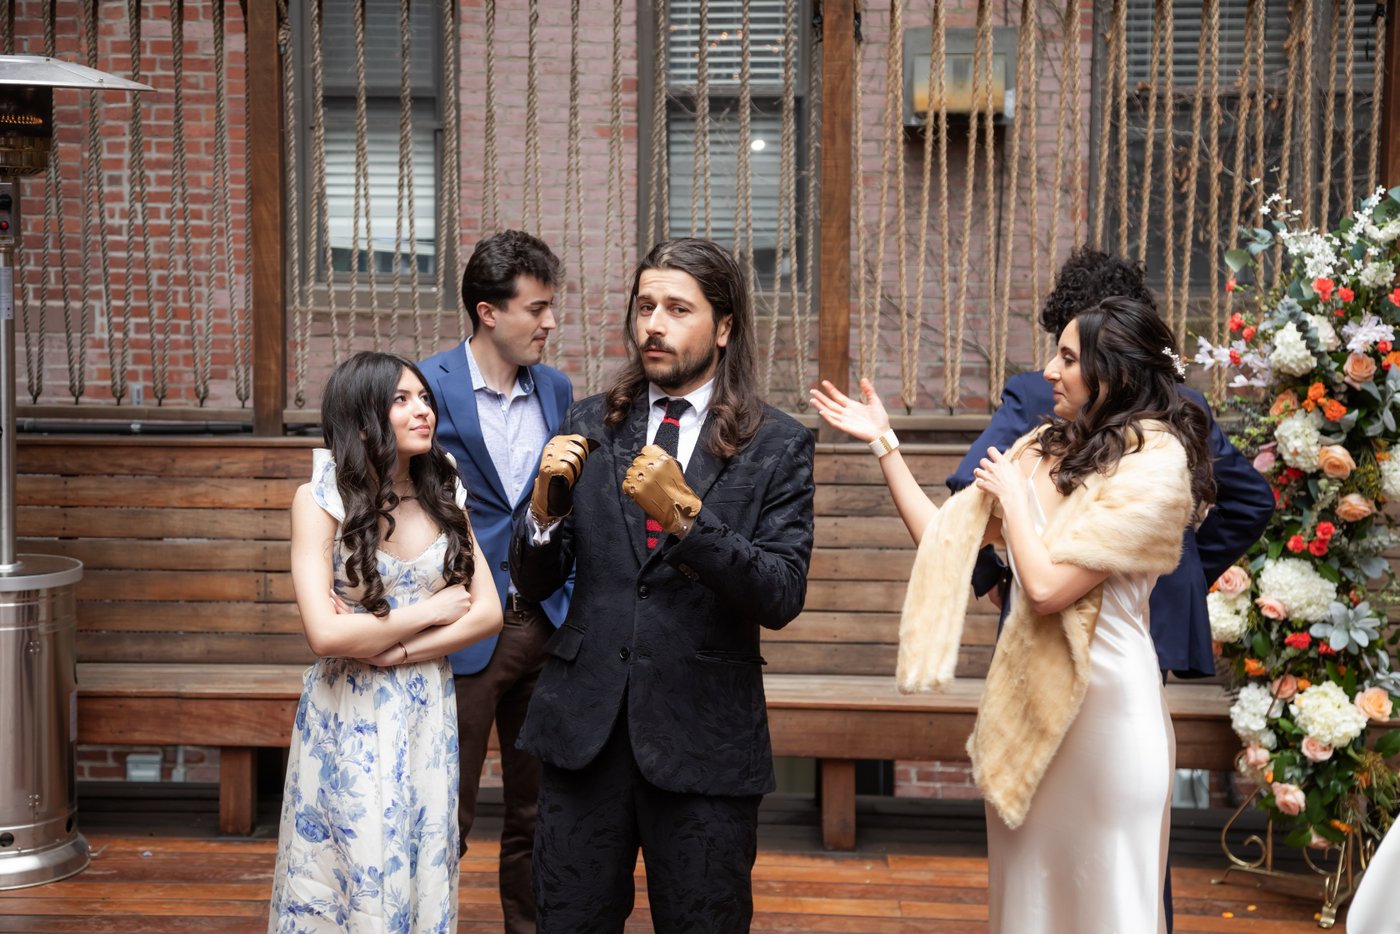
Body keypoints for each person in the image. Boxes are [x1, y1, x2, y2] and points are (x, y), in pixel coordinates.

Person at [811, 297, 1215, 933]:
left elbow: (1049, 587)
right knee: (1027, 904)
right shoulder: (1039, 448)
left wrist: (1017, 506)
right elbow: (943, 539)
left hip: (1109, 724)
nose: (1049, 371)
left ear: (1117, 374)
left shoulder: (1156, 466)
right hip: (1028, 719)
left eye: (1069, 358)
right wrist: (884, 443)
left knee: (1111, 904)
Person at [946, 250, 1273, 932]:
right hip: (1132, 644)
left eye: (1069, 350)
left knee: (1096, 834)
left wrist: (1011, 576)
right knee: (1127, 859)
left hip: (1063, 630)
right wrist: (1177, 575)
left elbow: (970, 488)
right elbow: (1251, 501)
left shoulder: (1036, 400)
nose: (1054, 369)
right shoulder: (1184, 406)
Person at [509, 238, 816, 933]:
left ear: (726, 327)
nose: (654, 324)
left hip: (705, 741)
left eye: (679, 309)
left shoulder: (778, 444)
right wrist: (541, 517)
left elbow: (780, 594)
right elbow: (532, 584)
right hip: (584, 731)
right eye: (646, 306)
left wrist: (686, 517)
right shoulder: (589, 422)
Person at [269, 351, 504, 932]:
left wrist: (392, 650)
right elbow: (325, 634)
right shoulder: (319, 500)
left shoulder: (444, 488)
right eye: (401, 400)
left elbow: (489, 614)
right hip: (347, 708)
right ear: (364, 417)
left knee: (421, 851)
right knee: (348, 859)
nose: (422, 410)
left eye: (424, 397)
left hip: (425, 700)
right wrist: (431, 611)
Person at [419, 230, 573, 934]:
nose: (549, 323)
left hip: (546, 623)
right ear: (488, 312)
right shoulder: (424, 388)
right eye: (535, 309)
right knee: (445, 809)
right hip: (462, 635)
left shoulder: (559, 389)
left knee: (538, 812)